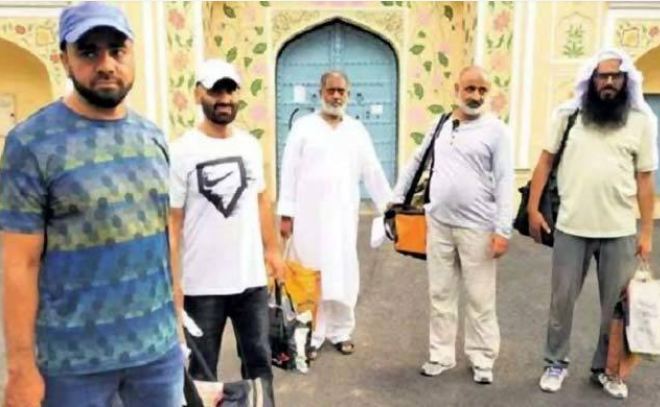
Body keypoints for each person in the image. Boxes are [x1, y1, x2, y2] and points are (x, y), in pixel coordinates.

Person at [0, 2, 183, 406]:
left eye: (117, 50)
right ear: (64, 59)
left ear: (131, 53)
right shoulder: (31, 144)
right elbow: (18, 263)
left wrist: (176, 329)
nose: (106, 64)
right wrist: (20, 369)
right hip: (72, 367)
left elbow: (165, 238)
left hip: (157, 358)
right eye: (88, 51)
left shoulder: (151, 137)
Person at [528, 48, 658, 399]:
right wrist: (533, 209)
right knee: (562, 301)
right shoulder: (568, 116)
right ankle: (555, 363)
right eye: (603, 76)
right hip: (571, 227)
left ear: (626, 81)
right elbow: (545, 161)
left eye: (616, 76)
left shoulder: (640, 122)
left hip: (620, 230)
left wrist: (647, 232)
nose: (609, 82)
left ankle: (607, 369)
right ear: (592, 80)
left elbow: (645, 180)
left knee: (615, 308)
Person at [169, 59, 283, 403]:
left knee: (259, 367)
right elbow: (172, 222)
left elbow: (262, 200)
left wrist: (273, 251)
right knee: (201, 377)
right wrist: (173, 282)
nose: (224, 99)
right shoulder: (181, 151)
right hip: (201, 287)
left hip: (250, 282)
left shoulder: (248, 145)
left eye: (230, 90)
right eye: (215, 90)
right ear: (198, 94)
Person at [392, 66, 513, 384]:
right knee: (440, 294)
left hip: (478, 228)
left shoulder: (496, 131)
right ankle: (441, 355)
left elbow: (505, 180)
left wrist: (503, 229)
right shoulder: (441, 124)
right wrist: (396, 198)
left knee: (480, 298)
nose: (476, 95)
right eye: (470, 88)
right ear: (457, 89)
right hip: (439, 224)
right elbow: (417, 160)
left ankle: (482, 358)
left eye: (482, 90)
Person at [277, 71, 392, 358]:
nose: (336, 96)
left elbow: (372, 170)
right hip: (309, 217)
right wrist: (286, 213)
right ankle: (312, 335)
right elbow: (289, 170)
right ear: (321, 93)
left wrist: (389, 207)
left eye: (341, 91)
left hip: (342, 217)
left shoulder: (356, 130)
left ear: (348, 95)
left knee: (342, 273)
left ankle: (341, 331)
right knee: (310, 273)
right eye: (331, 90)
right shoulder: (303, 128)